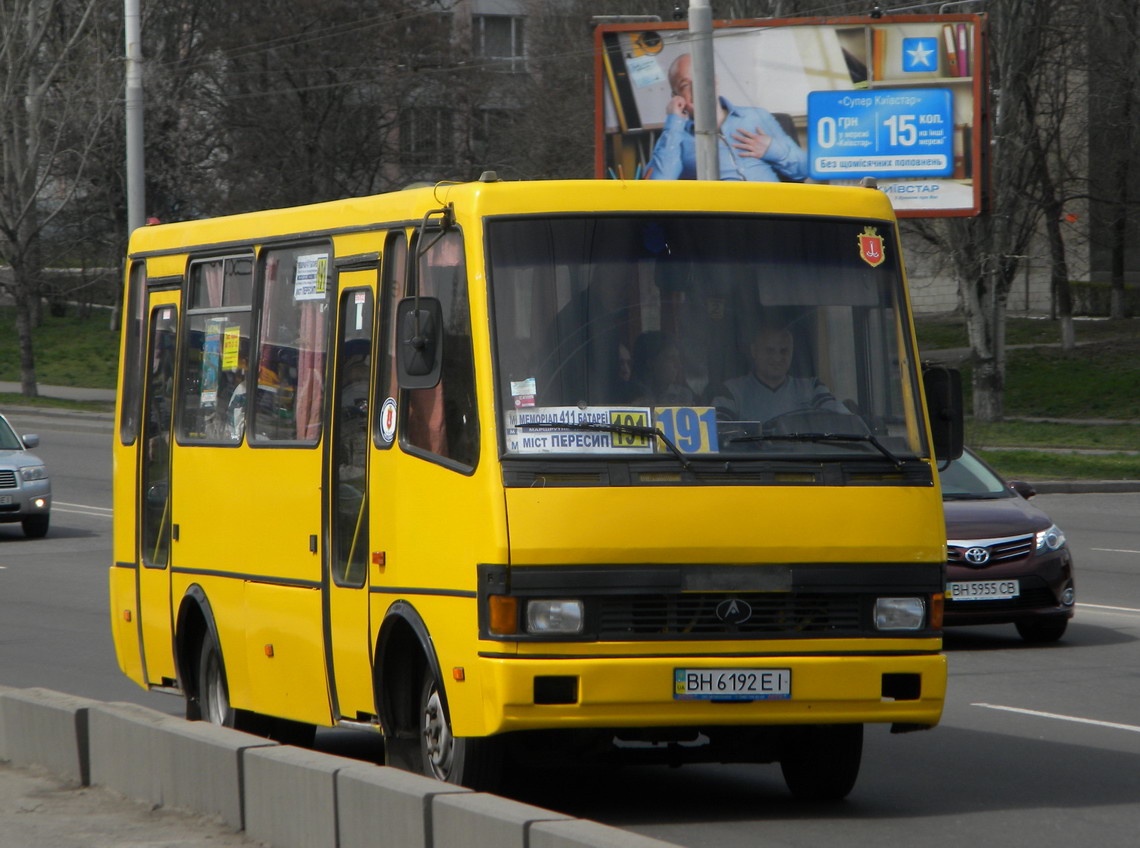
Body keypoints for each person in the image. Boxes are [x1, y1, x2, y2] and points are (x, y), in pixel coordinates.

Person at [648, 53, 808, 183]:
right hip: (723, 217)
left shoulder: (756, 117)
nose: (697, 87)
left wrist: (773, 149)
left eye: (701, 77)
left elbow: (804, 169)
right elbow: (658, 185)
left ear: (715, 81)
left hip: (773, 213)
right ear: (677, 97)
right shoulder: (676, 136)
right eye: (685, 85)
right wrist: (673, 122)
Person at [711, 323, 844, 423]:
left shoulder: (813, 388)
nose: (777, 358)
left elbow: (843, 421)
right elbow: (717, 430)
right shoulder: (731, 392)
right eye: (770, 351)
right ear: (754, 351)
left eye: (784, 351)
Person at [629, 331, 694, 406]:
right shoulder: (627, 394)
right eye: (671, 358)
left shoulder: (683, 395)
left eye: (678, 359)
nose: (678, 365)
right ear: (651, 363)